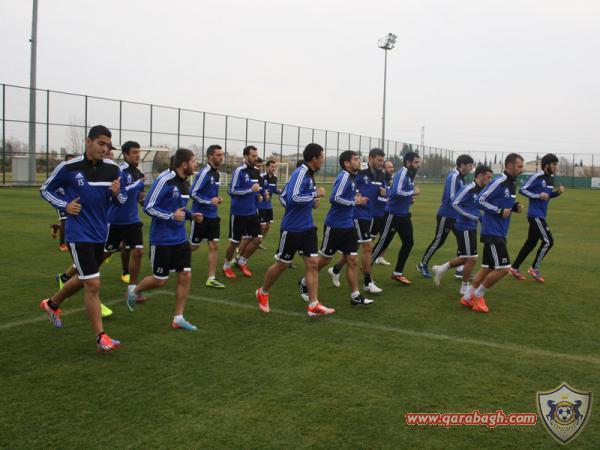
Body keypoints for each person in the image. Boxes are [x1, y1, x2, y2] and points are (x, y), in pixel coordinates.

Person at [39, 125, 127, 352]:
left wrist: (116, 193)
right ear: (88, 142)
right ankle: (101, 337)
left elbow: (121, 201)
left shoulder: (113, 169)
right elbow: (45, 189)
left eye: (107, 145)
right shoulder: (69, 167)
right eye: (100, 143)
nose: (104, 148)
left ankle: (52, 304)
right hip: (78, 234)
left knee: (84, 277)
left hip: (100, 233)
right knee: (93, 283)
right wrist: (65, 206)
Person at [126, 148, 202, 330]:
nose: (196, 164)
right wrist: (170, 216)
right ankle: (134, 291)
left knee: (185, 275)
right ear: (184, 164)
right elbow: (148, 206)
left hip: (180, 239)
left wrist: (191, 215)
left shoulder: (185, 183)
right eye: (193, 161)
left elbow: (179, 209)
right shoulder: (164, 180)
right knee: (160, 280)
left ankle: (178, 318)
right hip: (162, 240)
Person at [255, 143, 335, 316]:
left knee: (313, 264)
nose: (323, 160)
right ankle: (263, 292)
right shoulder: (300, 173)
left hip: (308, 227)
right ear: (314, 158)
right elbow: (292, 197)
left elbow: (295, 198)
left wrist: (312, 202)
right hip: (292, 228)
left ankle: (313, 305)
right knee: (282, 265)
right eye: (321, 157)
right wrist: (314, 195)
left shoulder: (310, 175)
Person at [305, 150, 374, 305]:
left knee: (353, 260)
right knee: (325, 260)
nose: (359, 161)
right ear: (347, 163)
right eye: (356, 159)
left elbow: (346, 197)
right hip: (335, 225)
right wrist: (355, 202)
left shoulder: (352, 177)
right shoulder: (344, 176)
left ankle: (355, 296)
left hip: (349, 225)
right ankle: (304, 282)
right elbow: (334, 198)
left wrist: (355, 199)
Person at [460, 153, 525, 313]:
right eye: (519, 166)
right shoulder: (499, 181)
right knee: (504, 269)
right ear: (509, 166)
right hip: (492, 231)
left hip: (500, 231)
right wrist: (498, 211)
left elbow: (504, 203)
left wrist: (515, 207)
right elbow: (479, 200)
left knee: (487, 268)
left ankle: (467, 297)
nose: (522, 169)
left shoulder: (512, 183)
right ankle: (478, 295)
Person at [328, 148, 386, 294]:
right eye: (379, 160)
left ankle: (335, 270)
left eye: (382, 160)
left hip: (370, 215)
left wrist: (384, 192)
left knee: (354, 248)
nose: (381, 163)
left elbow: (385, 191)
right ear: (371, 159)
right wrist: (356, 197)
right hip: (358, 214)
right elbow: (350, 187)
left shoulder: (381, 175)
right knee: (368, 247)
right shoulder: (360, 173)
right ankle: (367, 282)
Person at [431, 165, 494, 294]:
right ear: (480, 176)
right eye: (488, 177)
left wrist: (482, 219)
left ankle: (441, 269)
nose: (489, 180)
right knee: (472, 258)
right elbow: (454, 203)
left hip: (471, 226)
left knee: (465, 257)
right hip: (464, 227)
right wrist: (471, 216)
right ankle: (464, 287)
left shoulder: (480, 189)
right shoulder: (468, 188)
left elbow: (474, 207)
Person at [508, 153, 564, 282]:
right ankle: (534, 268)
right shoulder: (537, 176)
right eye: (554, 164)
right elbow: (522, 190)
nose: (556, 167)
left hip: (540, 215)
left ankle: (514, 268)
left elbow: (547, 196)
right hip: (535, 215)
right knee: (548, 242)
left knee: (530, 243)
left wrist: (557, 193)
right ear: (547, 165)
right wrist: (538, 196)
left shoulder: (551, 178)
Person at [417, 154, 474, 278]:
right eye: (470, 165)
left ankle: (460, 269)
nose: (471, 168)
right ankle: (422, 264)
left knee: (462, 241)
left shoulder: (461, 178)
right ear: (462, 165)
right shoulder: (454, 177)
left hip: (456, 216)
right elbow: (453, 197)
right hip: (447, 215)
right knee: (438, 241)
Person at [370, 152, 421, 285]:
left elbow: (402, 194)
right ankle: (367, 267)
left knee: (409, 243)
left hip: (404, 216)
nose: (418, 165)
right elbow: (396, 191)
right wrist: (413, 192)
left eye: (419, 163)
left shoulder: (410, 175)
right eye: (416, 162)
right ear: (408, 162)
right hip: (392, 215)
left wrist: (410, 199)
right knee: (383, 243)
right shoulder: (402, 173)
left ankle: (398, 273)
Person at [104, 141, 146, 294]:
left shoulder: (138, 173)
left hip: (133, 220)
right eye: (134, 152)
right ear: (126, 155)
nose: (138, 155)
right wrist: (136, 185)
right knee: (104, 254)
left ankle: (132, 289)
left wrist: (143, 199)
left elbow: (139, 197)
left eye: (138, 152)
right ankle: (74, 275)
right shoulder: (119, 171)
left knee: (138, 252)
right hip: (115, 220)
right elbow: (120, 197)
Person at [189, 144, 226, 289]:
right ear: (210, 157)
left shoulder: (217, 174)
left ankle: (211, 278)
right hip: (200, 216)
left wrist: (217, 199)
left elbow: (211, 194)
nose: (221, 157)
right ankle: (173, 258)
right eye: (218, 155)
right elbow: (193, 192)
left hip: (213, 216)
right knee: (193, 246)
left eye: (222, 155)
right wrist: (209, 201)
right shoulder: (204, 173)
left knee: (214, 245)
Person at [222, 146, 263, 278]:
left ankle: (242, 261)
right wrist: (250, 190)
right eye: (253, 156)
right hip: (239, 212)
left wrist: (258, 196)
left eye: (256, 156)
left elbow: (255, 190)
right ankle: (226, 265)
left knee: (258, 239)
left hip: (252, 211)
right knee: (235, 242)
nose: (255, 158)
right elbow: (231, 190)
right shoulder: (239, 170)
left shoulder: (256, 171)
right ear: (245, 156)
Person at [49, 153, 76, 252]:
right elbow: (52, 186)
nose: (72, 162)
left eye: (73, 160)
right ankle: (62, 244)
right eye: (70, 160)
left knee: (71, 221)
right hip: (61, 201)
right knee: (64, 220)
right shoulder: (61, 172)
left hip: (71, 201)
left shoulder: (76, 173)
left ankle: (56, 227)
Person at [373, 159, 394, 266]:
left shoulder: (388, 181)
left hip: (385, 214)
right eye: (389, 167)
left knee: (385, 238)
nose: (392, 169)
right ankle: (347, 253)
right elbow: (374, 197)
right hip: (376, 215)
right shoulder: (380, 180)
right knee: (368, 240)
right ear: (384, 169)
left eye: (392, 167)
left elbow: (388, 197)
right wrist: (382, 195)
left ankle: (380, 257)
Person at [257, 159, 280, 248]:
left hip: (269, 205)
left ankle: (259, 242)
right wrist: (263, 194)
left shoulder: (275, 178)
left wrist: (280, 191)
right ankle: (255, 241)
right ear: (267, 167)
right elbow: (258, 190)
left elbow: (274, 190)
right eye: (272, 166)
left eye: (275, 167)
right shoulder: (261, 177)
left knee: (268, 226)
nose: (274, 168)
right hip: (260, 205)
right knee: (262, 226)